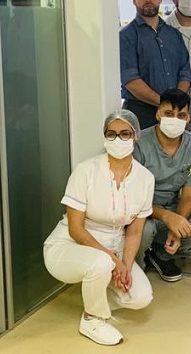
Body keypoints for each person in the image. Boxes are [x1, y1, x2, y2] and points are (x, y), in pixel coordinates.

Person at [43, 110, 154, 346]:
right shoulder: (86, 170)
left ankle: (94, 296)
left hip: (115, 244)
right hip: (70, 245)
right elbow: (76, 228)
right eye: (111, 134)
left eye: (125, 134)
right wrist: (113, 260)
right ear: (104, 138)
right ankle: (92, 319)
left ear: (136, 136)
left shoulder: (145, 179)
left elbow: (135, 230)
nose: (118, 139)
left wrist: (124, 264)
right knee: (101, 264)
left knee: (141, 297)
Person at [134, 89, 191, 282]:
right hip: (142, 211)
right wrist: (166, 217)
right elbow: (132, 198)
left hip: (174, 208)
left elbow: (189, 196)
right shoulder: (139, 144)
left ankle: (162, 254)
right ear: (158, 114)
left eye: (181, 115)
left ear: (189, 118)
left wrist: (176, 227)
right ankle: (136, 264)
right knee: (144, 232)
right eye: (169, 114)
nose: (175, 120)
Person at [120, 0, 191, 129]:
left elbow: (185, 72)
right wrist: (164, 103)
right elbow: (130, 80)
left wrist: (175, 103)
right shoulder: (126, 36)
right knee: (142, 153)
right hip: (141, 113)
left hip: (175, 112)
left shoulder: (173, 34)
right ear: (134, 0)